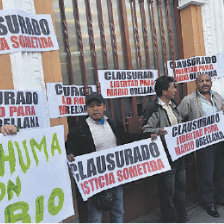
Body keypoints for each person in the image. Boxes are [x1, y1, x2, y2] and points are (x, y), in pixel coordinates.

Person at [66, 92, 125, 223]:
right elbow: (70, 146)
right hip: (95, 179)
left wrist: (148, 138)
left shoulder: (113, 124)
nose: (95, 109)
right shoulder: (80, 129)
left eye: (98, 105)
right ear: (87, 109)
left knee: (118, 210)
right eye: (91, 106)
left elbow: (126, 139)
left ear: (104, 107)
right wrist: (70, 153)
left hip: (115, 175)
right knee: (95, 215)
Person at [178, 73, 224, 218]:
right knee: (206, 174)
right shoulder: (189, 100)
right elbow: (179, 118)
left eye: (207, 81)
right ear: (196, 84)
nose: (205, 83)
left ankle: (220, 198)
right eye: (201, 81)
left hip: (220, 140)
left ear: (211, 82)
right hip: (204, 143)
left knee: (220, 172)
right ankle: (209, 203)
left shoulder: (216, 96)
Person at [142, 76, 187, 223]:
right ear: (164, 91)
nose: (175, 90)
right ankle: (170, 219)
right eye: (172, 87)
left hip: (179, 153)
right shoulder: (153, 108)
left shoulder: (173, 104)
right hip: (166, 156)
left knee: (181, 187)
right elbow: (146, 130)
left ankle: (182, 216)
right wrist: (159, 131)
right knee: (168, 191)